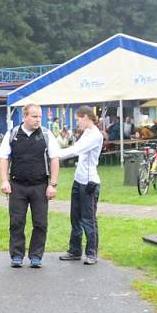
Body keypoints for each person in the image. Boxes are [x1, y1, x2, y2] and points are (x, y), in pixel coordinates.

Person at [0, 103, 60, 268]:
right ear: (24, 117)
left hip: (40, 185)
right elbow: (3, 157)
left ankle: (36, 256)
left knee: (40, 223)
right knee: (16, 222)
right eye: (34, 116)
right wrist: (4, 181)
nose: (38, 119)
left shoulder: (46, 135)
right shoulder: (12, 134)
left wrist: (52, 184)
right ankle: (17, 255)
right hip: (17, 185)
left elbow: (54, 159)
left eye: (40, 116)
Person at [57, 106, 103, 265]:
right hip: (78, 180)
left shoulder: (95, 135)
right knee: (75, 218)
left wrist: (55, 154)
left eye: (78, 119)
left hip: (89, 183)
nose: (77, 122)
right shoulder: (87, 133)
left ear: (86, 117)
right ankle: (75, 250)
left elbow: (76, 150)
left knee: (88, 219)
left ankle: (92, 253)